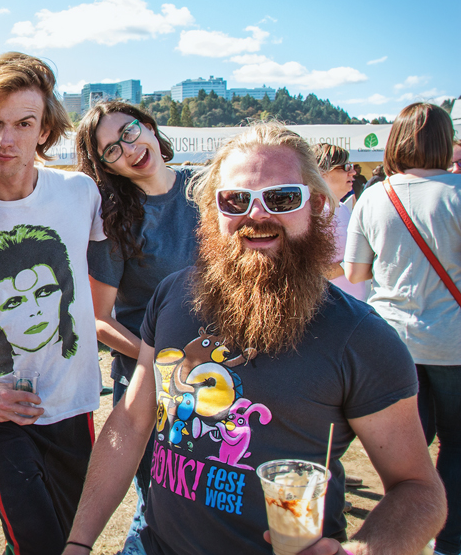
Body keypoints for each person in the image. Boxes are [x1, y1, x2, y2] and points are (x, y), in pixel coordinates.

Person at [64, 123, 446, 555]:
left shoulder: (362, 338)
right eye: (236, 200)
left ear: (317, 205)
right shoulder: (172, 297)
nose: (257, 215)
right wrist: (79, 542)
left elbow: (418, 489)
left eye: (282, 198)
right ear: (212, 212)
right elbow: (132, 422)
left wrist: (364, 552)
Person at [0, 52, 105, 555]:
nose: (4, 139)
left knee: (70, 540)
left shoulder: (79, 193)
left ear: (44, 130)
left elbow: (100, 297)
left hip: (75, 403)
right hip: (1, 410)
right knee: (35, 542)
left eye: (22, 123)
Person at [75, 100, 200, 536]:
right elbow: (99, 319)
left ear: (147, 125)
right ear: (107, 167)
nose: (128, 149)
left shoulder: (209, 190)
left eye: (129, 132)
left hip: (225, 376)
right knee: (162, 501)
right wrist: (161, 359)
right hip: (151, 385)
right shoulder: (116, 221)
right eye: (111, 150)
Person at [345, 102, 461, 555]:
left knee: (404, 457)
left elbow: (356, 273)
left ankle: (397, 539)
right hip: (453, 342)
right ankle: (449, 544)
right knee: (456, 448)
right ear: (445, 141)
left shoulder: (375, 196)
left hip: (393, 342)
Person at [311, 143, 368, 302]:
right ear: (322, 173)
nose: (353, 172)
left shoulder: (342, 208)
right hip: (331, 310)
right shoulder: (314, 213)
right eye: (346, 167)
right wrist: (363, 266)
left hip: (352, 310)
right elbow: (313, 267)